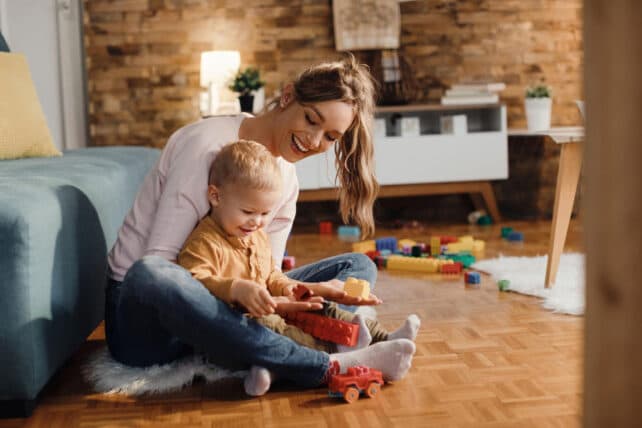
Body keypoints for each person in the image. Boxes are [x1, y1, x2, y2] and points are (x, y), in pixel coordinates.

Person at [105, 54, 416, 397]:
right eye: (311, 119)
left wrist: (297, 295)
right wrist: (242, 295)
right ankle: (320, 365)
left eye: (330, 137)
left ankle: (265, 356)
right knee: (152, 272)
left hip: (228, 309)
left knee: (356, 267)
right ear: (287, 97)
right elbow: (166, 265)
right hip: (151, 318)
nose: (314, 141)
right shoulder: (206, 147)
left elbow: (266, 276)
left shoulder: (285, 177)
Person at [177, 140, 421, 357]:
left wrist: (294, 289)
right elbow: (191, 283)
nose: (257, 221)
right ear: (216, 197)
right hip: (242, 321)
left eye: (264, 213)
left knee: (320, 307)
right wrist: (234, 289)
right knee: (276, 329)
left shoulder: (256, 235)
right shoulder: (204, 242)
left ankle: (384, 338)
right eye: (248, 212)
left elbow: (271, 275)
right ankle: (333, 352)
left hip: (276, 305)